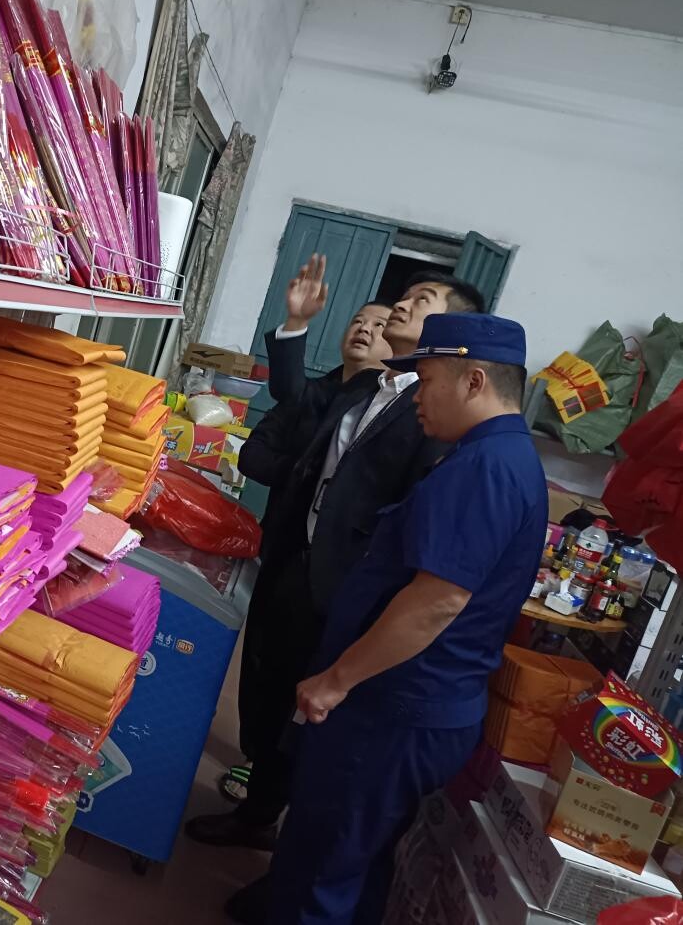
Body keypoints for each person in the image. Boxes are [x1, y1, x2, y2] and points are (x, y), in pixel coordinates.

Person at [187, 256, 485, 856]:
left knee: (310, 716)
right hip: (297, 564)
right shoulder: (369, 388)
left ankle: (279, 835)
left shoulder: (432, 417)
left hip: (347, 589)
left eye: (421, 301)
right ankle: (258, 812)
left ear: (453, 333)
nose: (400, 305)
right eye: (402, 297)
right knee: (271, 688)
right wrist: (296, 326)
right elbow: (295, 403)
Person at [263, 312, 547, 925]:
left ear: (474, 381)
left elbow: (437, 601)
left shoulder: (486, 468)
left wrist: (337, 680)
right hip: (406, 704)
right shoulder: (492, 457)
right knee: (352, 862)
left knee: (326, 866)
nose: (417, 395)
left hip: (394, 709)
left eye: (428, 379)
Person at [218, 295, 392, 810]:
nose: (364, 329)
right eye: (358, 320)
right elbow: (253, 454)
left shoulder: (386, 409)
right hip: (281, 547)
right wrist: (309, 473)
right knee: (260, 661)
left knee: (297, 674)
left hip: (329, 570)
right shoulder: (317, 391)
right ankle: (258, 763)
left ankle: (271, 785)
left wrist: (304, 472)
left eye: (380, 325)